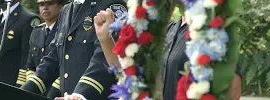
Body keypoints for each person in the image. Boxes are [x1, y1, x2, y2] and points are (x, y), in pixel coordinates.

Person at [93, 12, 242, 100]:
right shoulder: (167, 30)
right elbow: (129, 75)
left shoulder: (215, 32)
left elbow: (233, 91)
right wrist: (105, 38)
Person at [26, 0, 68, 98]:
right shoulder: (36, 32)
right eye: (41, 4)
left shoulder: (66, 31)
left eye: (50, 3)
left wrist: (53, 91)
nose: (45, 7)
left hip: (58, 92)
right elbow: (30, 65)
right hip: (37, 90)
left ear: (60, 6)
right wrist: (32, 86)